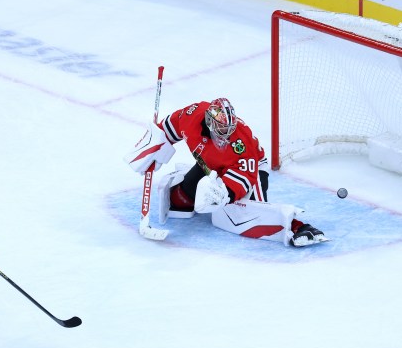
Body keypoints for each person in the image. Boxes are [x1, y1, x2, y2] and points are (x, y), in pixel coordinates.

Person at [124, 97, 327, 247]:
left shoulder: (241, 140)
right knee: (179, 201)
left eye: (230, 129)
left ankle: (298, 227)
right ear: (210, 121)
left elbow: (246, 174)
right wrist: (152, 147)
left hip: (250, 167)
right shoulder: (191, 115)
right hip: (210, 165)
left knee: (251, 213)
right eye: (221, 130)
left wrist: (225, 193)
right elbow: (168, 128)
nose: (226, 135)